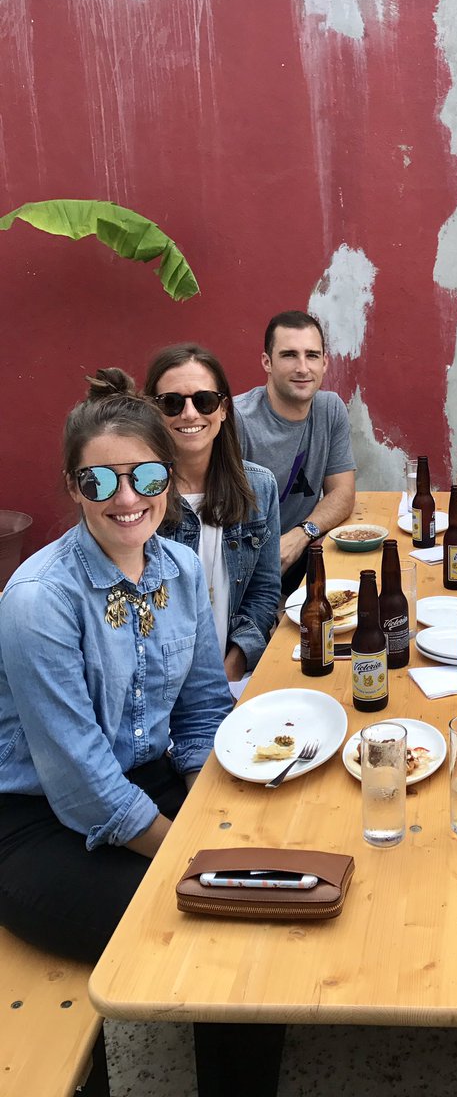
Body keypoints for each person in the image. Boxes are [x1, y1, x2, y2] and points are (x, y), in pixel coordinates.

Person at [0, 369, 231, 963]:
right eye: (99, 481)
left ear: (170, 478)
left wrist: (208, 809)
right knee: (211, 920)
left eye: (146, 476)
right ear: (74, 488)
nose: (127, 499)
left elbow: (203, 709)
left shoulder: (179, 570)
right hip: (38, 822)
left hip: (144, 780)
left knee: (268, 881)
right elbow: (78, 780)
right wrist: (189, 848)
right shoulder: (39, 600)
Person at [145, 344, 281, 682]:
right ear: (152, 411)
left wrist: (230, 669)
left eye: (203, 400)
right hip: (159, 687)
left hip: (233, 681)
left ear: (223, 409)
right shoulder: (134, 498)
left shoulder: (259, 488)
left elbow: (263, 593)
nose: (189, 414)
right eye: (172, 403)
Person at [235, 311, 356, 595]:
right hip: (247, 577)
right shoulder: (238, 420)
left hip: (302, 561)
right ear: (267, 362)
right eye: (289, 355)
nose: (303, 368)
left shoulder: (330, 409)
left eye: (312, 355)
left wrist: (301, 535)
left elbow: (343, 493)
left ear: (325, 363)